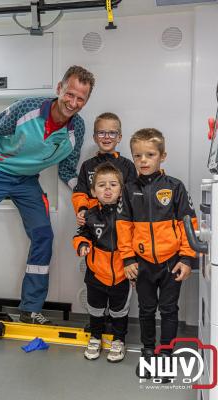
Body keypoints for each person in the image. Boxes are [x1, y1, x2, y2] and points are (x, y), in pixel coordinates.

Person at [0, 65, 95, 325]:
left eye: (81, 98)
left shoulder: (76, 129)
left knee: (44, 234)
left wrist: (84, 191)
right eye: (70, 94)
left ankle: (30, 308)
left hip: (26, 182)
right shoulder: (27, 108)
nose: (73, 102)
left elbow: (67, 168)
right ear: (59, 89)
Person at [116, 128, 198, 380]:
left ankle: (165, 355)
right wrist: (128, 259)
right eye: (137, 155)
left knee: (169, 309)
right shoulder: (128, 190)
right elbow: (123, 228)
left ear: (162, 156)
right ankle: (149, 353)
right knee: (146, 309)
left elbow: (189, 225)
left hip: (171, 262)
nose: (143, 160)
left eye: (150, 154)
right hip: (143, 265)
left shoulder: (175, 187)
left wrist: (187, 258)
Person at [73, 162, 132, 362]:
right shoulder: (89, 215)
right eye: (102, 185)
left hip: (122, 274)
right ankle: (95, 337)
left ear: (121, 189)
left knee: (119, 311)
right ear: (93, 190)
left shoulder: (129, 214)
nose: (107, 189)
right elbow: (81, 235)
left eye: (113, 185)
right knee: (95, 309)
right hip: (96, 274)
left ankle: (118, 340)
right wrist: (81, 245)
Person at [72, 112, 137, 226]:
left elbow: (132, 195)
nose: (107, 137)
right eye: (101, 133)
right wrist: (82, 210)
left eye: (112, 133)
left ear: (119, 137)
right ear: (95, 138)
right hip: (93, 221)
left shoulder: (128, 165)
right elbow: (80, 194)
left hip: (120, 221)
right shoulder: (87, 165)